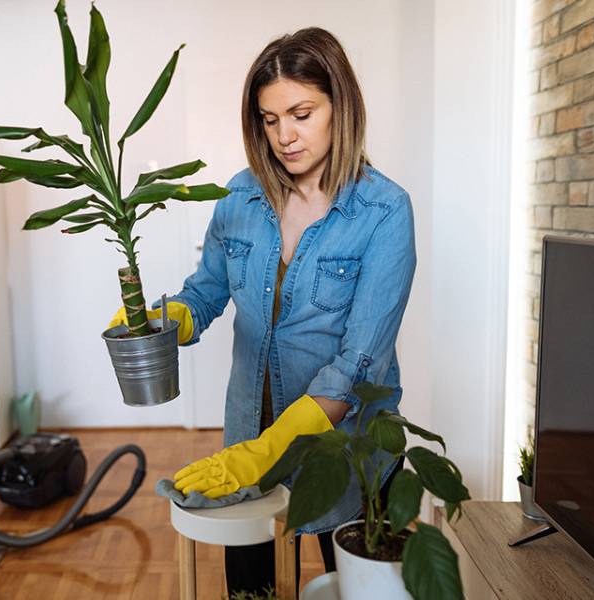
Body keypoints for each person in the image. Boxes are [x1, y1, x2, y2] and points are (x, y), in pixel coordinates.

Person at [111, 27, 416, 595]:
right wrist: (159, 323)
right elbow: (205, 292)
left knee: (348, 587)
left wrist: (272, 449)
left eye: (301, 114)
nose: (284, 136)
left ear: (340, 105)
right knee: (250, 589)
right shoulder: (240, 196)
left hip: (343, 451)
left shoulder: (384, 211)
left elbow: (359, 365)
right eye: (269, 119)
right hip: (248, 432)